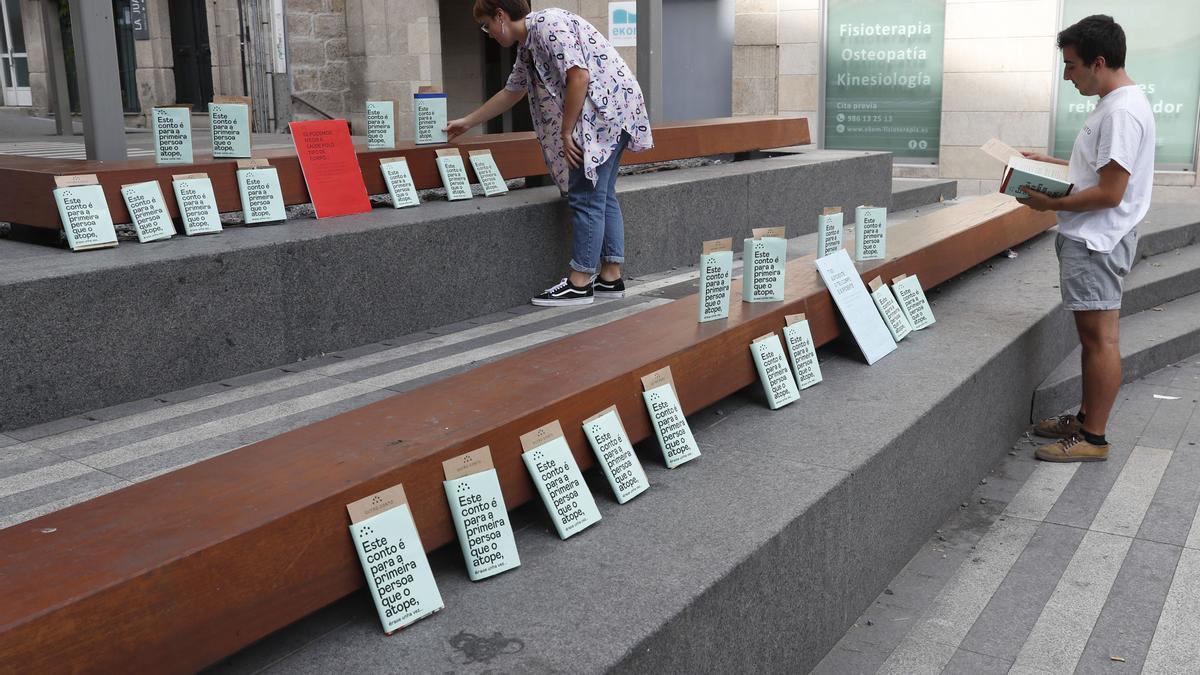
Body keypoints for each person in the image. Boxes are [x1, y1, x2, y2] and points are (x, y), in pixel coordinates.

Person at [445, 0, 653, 306]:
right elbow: (511, 91)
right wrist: (467, 122)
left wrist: (566, 131)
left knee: (585, 196)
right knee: (603, 194)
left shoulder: (547, 25)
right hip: (615, 110)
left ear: (501, 16)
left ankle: (580, 281)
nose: (487, 33)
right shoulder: (528, 45)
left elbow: (578, 76)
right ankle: (610, 276)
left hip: (602, 112)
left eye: (487, 25)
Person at [1018, 15, 1155, 462]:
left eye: (1072, 66)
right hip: (1097, 239)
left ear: (1099, 62)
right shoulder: (1120, 103)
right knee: (1094, 337)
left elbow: (1111, 192)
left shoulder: (1120, 111)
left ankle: (1092, 438)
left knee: (1100, 341)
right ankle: (1085, 418)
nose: (1066, 75)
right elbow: (1102, 171)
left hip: (1098, 241)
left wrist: (1049, 204)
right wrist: (1051, 163)